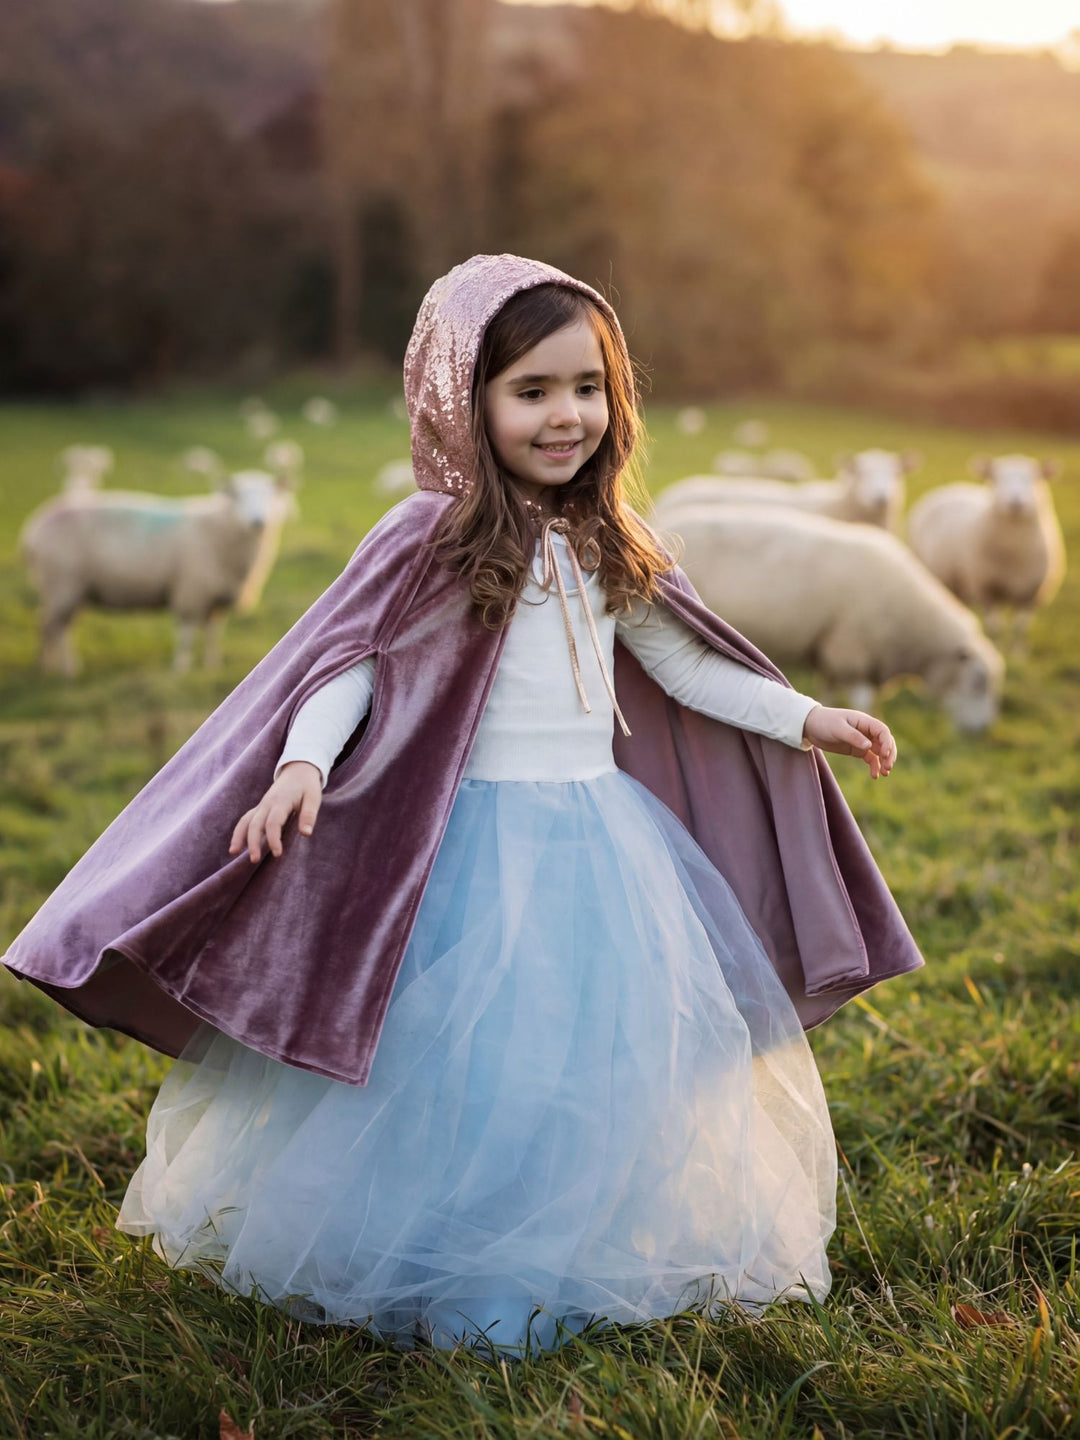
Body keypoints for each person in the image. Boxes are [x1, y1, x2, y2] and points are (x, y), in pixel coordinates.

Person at [3, 254, 922, 1355]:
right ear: (462, 396)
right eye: (531, 391)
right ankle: (467, 1269)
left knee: (584, 1071)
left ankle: (574, 1243)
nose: (565, 415)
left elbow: (685, 668)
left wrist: (807, 717)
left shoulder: (610, 539)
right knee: (463, 1072)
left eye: (587, 387)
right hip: (465, 855)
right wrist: (301, 767)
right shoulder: (427, 536)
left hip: (603, 847)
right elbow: (351, 665)